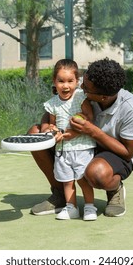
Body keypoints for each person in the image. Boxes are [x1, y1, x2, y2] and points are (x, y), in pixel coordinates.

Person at [29, 58, 133, 217]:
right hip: (78, 143)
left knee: (97, 173)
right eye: (82, 82)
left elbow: (127, 152)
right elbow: (53, 109)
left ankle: (114, 189)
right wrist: (46, 127)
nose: (80, 86)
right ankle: (61, 195)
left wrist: (92, 131)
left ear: (102, 97)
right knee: (35, 135)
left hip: (114, 152)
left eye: (85, 87)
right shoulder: (88, 84)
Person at [41, 59, 97, 221]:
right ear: (54, 82)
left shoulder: (81, 97)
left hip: (82, 148)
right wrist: (53, 131)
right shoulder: (52, 104)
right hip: (63, 150)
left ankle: (89, 207)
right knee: (67, 181)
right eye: (61, 81)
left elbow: (89, 118)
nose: (66, 86)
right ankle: (71, 208)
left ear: (77, 81)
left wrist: (74, 131)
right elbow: (52, 124)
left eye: (70, 81)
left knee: (83, 179)